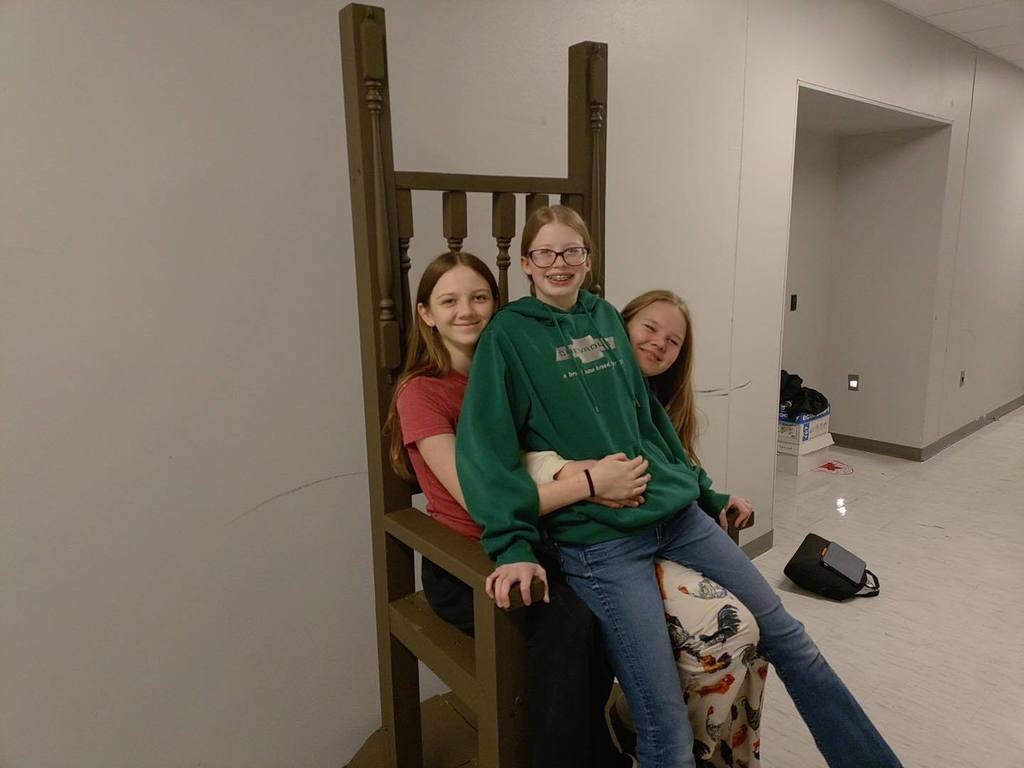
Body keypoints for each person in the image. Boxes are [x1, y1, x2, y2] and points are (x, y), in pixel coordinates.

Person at [455, 205, 903, 768]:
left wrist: (705, 493)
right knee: (664, 720)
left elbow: (649, 421)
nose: (559, 263)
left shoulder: (604, 320)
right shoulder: (508, 337)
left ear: (589, 260)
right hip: (601, 545)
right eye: (545, 252)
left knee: (791, 640)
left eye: (573, 251)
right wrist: (512, 544)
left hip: (675, 516)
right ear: (526, 262)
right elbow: (488, 452)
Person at [384, 250, 645, 768]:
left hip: (542, 538)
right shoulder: (422, 394)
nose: (467, 311)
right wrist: (591, 482)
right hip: (470, 560)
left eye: (479, 297)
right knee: (569, 626)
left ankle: (602, 749)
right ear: (426, 314)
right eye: (449, 300)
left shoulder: (514, 368)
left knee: (607, 616)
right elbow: (482, 504)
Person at [524, 289, 769, 767]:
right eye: (648, 329)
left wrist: (716, 499)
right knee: (731, 632)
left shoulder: (664, 404)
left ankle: (720, 755)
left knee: (758, 641)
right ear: (618, 326)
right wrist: (583, 479)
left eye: (673, 341)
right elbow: (541, 466)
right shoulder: (570, 391)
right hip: (603, 546)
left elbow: (684, 478)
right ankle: (651, 733)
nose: (658, 344)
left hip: (663, 535)